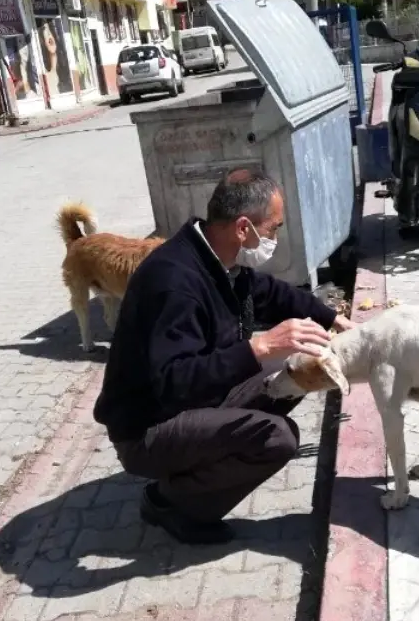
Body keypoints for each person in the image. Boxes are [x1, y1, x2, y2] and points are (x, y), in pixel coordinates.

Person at [95, 169, 355, 545]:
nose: (274, 239)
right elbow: (175, 381)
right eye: (273, 228)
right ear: (243, 228)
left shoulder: (216, 257)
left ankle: (203, 460)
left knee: (299, 371)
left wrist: (333, 318)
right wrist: (258, 347)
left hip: (191, 402)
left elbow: (269, 292)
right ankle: (169, 501)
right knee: (277, 439)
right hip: (147, 427)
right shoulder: (175, 281)